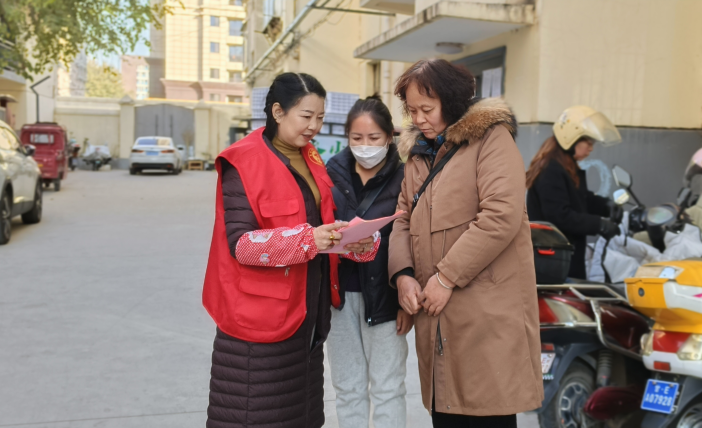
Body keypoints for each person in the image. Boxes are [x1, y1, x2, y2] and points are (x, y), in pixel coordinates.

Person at [202, 72, 379, 428]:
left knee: (301, 417)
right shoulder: (243, 161)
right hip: (260, 321)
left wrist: (348, 240)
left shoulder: (309, 157)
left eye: (320, 117)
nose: (314, 126)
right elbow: (241, 245)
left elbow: (318, 223)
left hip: (306, 316)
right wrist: (309, 239)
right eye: (306, 116)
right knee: (257, 417)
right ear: (278, 112)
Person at [388, 58, 543, 428]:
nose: (419, 119)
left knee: (486, 410)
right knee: (446, 409)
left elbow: (501, 215)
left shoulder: (491, 139)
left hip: (484, 317)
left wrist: (445, 278)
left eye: (427, 109)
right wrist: (403, 274)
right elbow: (402, 218)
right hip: (436, 317)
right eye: (412, 111)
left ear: (452, 101)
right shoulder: (418, 154)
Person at [326, 95, 411, 428]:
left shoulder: (406, 177)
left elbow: (413, 238)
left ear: (389, 136)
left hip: (386, 297)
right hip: (340, 297)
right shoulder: (330, 174)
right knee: (348, 388)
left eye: (374, 138)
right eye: (357, 137)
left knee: (388, 388)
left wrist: (406, 301)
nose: (365, 146)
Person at [525, 106, 624, 280]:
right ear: (571, 138)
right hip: (552, 261)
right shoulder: (551, 170)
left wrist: (606, 206)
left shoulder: (565, 166)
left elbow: (580, 198)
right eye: (588, 143)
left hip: (562, 257)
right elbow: (560, 216)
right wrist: (599, 225)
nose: (591, 149)